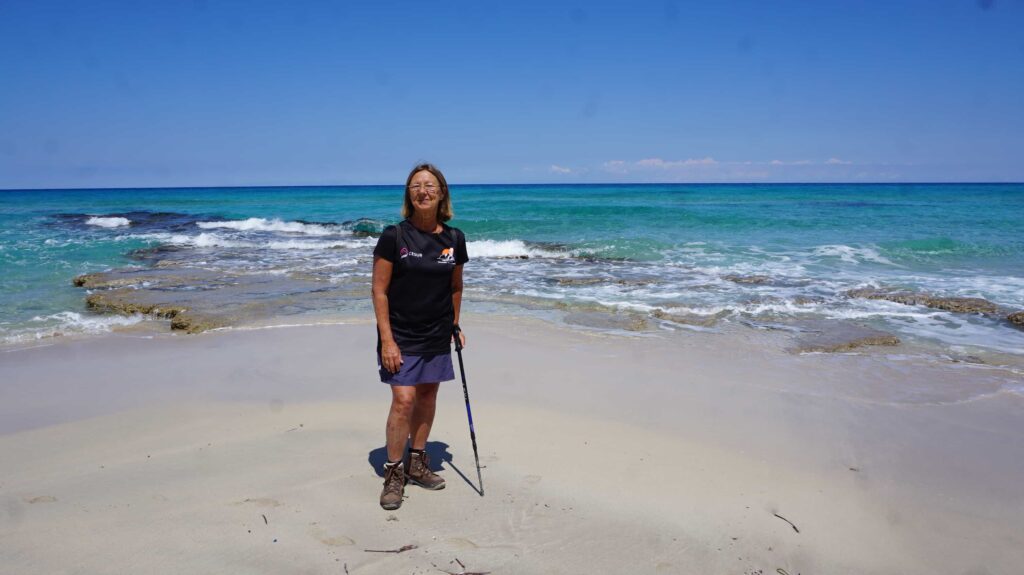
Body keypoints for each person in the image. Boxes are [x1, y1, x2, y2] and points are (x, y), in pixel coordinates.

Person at [371, 163, 469, 510]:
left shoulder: (454, 239)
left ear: (441, 193)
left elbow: (455, 286)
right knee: (404, 401)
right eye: (415, 186)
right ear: (408, 195)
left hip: (436, 333)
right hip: (400, 333)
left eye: (429, 185)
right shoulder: (394, 236)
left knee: (427, 396)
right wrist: (387, 340)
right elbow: (379, 290)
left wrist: (455, 324)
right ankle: (393, 472)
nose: (422, 190)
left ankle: (417, 461)